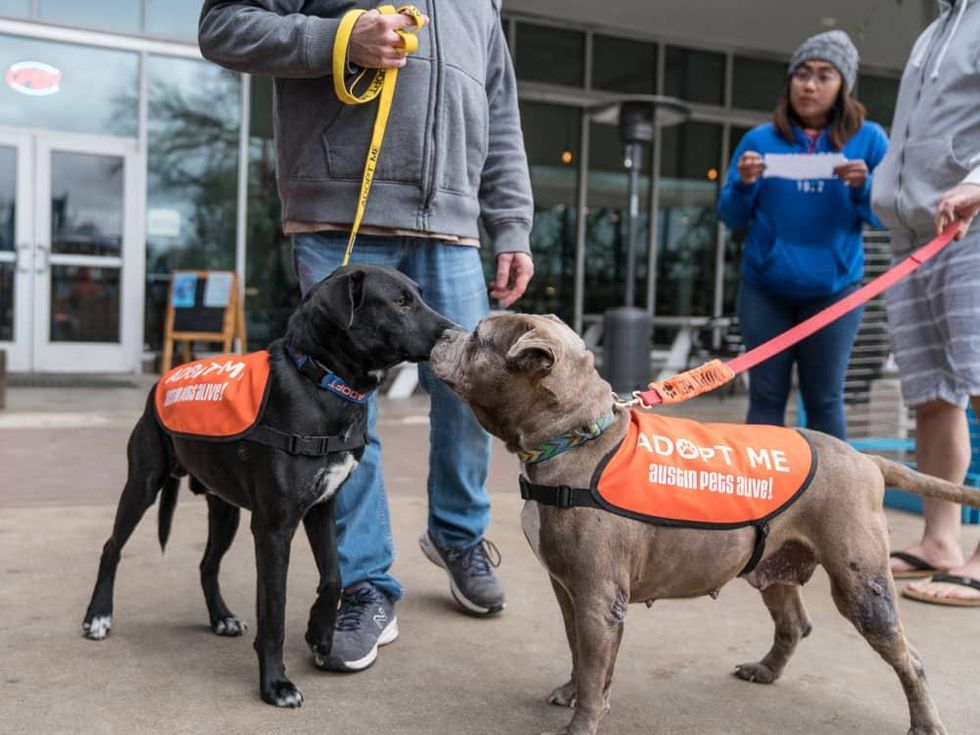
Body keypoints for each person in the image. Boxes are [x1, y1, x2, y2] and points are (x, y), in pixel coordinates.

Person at [199, 1, 534, 667]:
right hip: (338, 211)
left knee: (475, 390)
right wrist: (338, 37)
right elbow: (225, 25)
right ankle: (363, 583)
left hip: (453, 225)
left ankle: (458, 534)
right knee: (343, 411)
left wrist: (513, 221)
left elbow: (498, 104)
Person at [717, 30, 888, 440]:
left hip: (835, 291)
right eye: (801, 74)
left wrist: (865, 187)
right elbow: (730, 215)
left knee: (825, 399)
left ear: (843, 86)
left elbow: (885, 217)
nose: (809, 85)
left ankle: (835, 501)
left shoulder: (870, 139)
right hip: (766, 288)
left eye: (824, 75)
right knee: (765, 396)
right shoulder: (758, 140)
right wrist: (742, 183)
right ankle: (762, 498)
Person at [870, 0, 980, 606]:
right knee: (932, 394)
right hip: (915, 230)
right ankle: (940, 540)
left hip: (972, 223)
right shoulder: (938, 26)